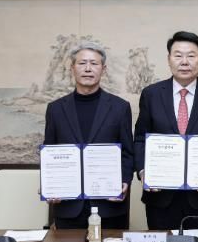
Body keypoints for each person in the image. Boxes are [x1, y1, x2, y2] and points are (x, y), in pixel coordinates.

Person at [134, 31, 198, 230]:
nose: (184, 62)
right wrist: (144, 171)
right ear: (169, 59)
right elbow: (140, 139)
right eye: (178, 55)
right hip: (160, 197)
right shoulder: (151, 94)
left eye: (191, 55)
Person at [44, 42, 134, 229]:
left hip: (109, 204)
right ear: (72, 68)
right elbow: (49, 151)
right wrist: (49, 185)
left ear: (103, 69)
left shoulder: (120, 107)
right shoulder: (55, 109)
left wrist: (125, 181)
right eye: (82, 63)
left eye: (94, 63)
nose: (87, 69)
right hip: (68, 205)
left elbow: (127, 152)